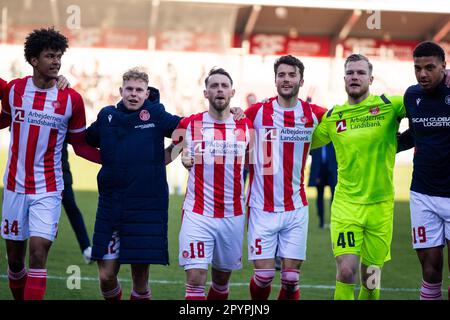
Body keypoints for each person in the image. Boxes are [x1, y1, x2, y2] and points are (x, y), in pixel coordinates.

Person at [0, 27, 100, 300]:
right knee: (15, 260)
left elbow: (79, 145)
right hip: (14, 187)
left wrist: (113, 160)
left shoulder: (72, 99)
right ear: (34, 60)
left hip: (49, 189)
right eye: (50, 56)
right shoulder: (14, 90)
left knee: (38, 253)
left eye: (58, 56)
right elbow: (5, 119)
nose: (56, 61)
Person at [312, 53, 407, 300]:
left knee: (371, 279)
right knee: (346, 271)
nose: (355, 77)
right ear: (344, 78)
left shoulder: (391, 105)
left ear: (371, 78)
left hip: (380, 206)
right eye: (350, 73)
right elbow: (303, 142)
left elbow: (424, 104)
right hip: (347, 206)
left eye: (361, 72)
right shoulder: (334, 117)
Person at [85, 68, 182, 300]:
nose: (134, 94)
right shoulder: (107, 116)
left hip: (146, 207)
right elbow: (84, 139)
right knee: (106, 275)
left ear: (146, 93)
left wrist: (168, 155)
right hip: (112, 205)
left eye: (139, 90)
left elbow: (186, 129)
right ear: (121, 90)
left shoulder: (156, 114)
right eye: (129, 89)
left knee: (140, 280)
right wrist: (109, 161)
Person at [244, 55, 327, 300]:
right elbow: (228, 123)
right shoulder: (257, 112)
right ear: (275, 79)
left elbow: (345, 120)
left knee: (291, 279)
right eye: (282, 75)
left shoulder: (313, 114)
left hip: (295, 207)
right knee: (264, 277)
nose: (286, 79)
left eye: (292, 75)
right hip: (261, 206)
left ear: (301, 80)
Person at [172, 68, 252, 300]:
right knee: (196, 279)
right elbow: (169, 151)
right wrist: (182, 154)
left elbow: (259, 166)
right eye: (214, 86)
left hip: (232, 215)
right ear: (205, 93)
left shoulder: (245, 126)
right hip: (198, 213)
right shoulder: (190, 124)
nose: (219, 90)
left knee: (220, 281)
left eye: (224, 86)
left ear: (232, 92)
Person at [399, 41, 450, 300]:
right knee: (430, 272)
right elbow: (414, 135)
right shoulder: (411, 96)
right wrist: (387, 146)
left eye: (430, 67)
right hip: (422, 194)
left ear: (444, 66)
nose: (423, 74)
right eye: (417, 68)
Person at [61, 141, 92, 264]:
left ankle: (86, 248)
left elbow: (78, 142)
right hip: (33, 176)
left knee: (72, 208)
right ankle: (16, 245)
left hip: (61, 174)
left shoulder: (62, 121)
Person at [308, 143, 337, 228]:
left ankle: (334, 221)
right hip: (319, 172)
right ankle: (321, 222)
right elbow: (308, 151)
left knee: (334, 196)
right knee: (320, 197)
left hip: (332, 172)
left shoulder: (332, 142)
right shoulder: (317, 143)